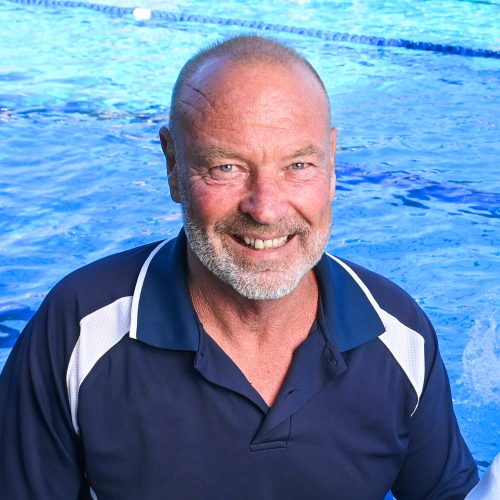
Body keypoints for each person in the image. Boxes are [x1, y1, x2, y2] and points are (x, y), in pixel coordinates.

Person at [0, 35, 479, 499]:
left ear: (332, 164)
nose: (266, 209)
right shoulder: (80, 328)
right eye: (226, 167)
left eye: (298, 166)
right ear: (173, 164)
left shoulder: (397, 332)